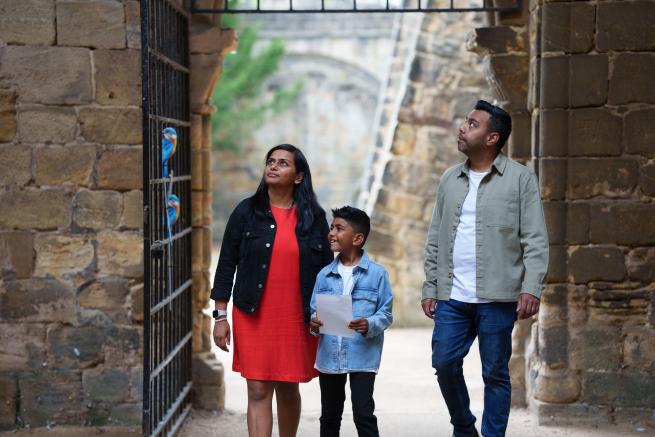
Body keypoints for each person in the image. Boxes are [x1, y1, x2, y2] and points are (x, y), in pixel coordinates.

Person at [421, 100, 549, 437]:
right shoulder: (450, 179)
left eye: (472, 124)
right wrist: (430, 286)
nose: (462, 128)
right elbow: (435, 235)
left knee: (494, 373)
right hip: (452, 295)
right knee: (444, 364)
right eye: (465, 122)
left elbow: (535, 238)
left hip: (498, 295)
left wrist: (531, 287)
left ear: (492, 138)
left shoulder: (521, 179)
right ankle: (464, 426)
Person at [211, 144, 333, 437]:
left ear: (299, 176)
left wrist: (330, 319)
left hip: (295, 316)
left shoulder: (313, 217)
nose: (273, 166)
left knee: (288, 386)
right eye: (270, 161)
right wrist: (219, 316)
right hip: (253, 313)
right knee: (257, 388)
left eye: (283, 163)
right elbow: (226, 264)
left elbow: (329, 272)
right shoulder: (246, 212)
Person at [309, 206, 393, 437]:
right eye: (331, 227)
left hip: (362, 356)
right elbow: (314, 311)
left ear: (357, 238)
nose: (331, 233)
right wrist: (314, 324)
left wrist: (370, 324)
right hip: (329, 356)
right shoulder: (324, 275)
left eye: (339, 228)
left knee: (363, 414)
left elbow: (385, 314)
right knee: (329, 417)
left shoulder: (377, 274)